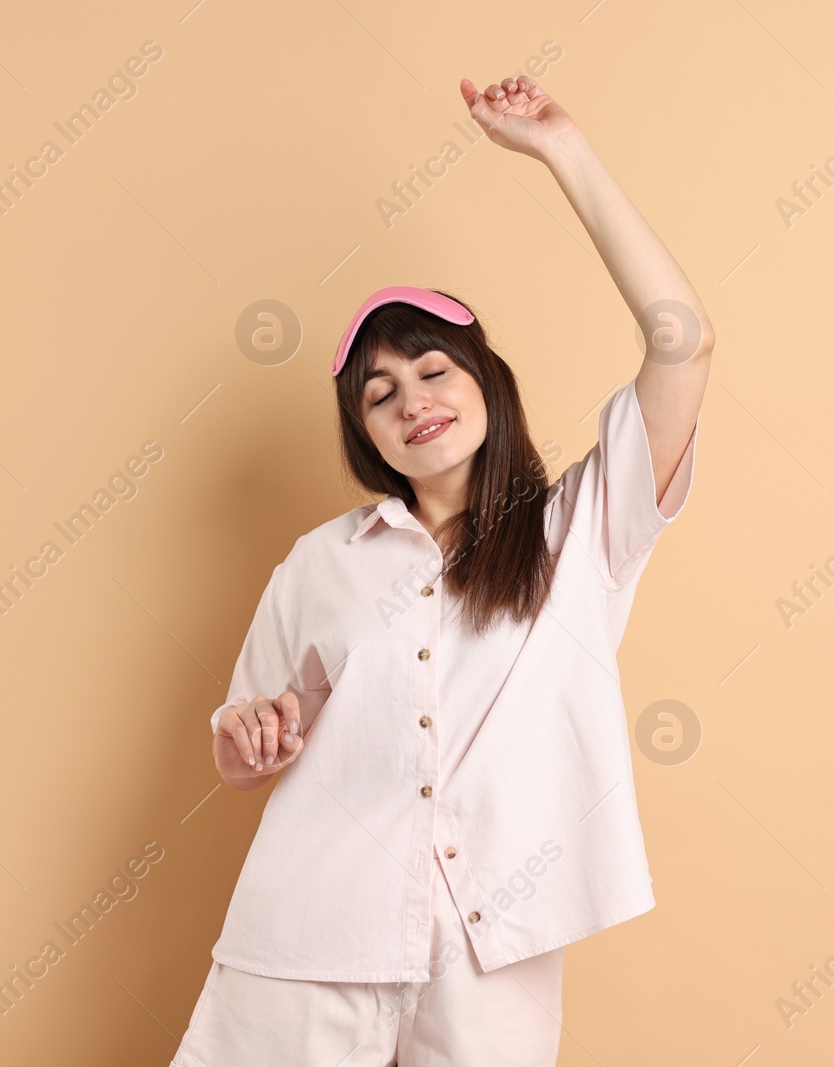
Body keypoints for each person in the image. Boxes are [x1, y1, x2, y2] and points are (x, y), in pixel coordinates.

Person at [171, 73, 715, 1067]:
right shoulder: (320, 563)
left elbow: (682, 344)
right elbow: (249, 743)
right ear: (366, 433)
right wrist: (247, 737)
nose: (411, 400)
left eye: (432, 370)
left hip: (490, 942)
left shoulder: (577, 532)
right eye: (379, 393)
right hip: (305, 934)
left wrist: (563, 151)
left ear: (482, 382)